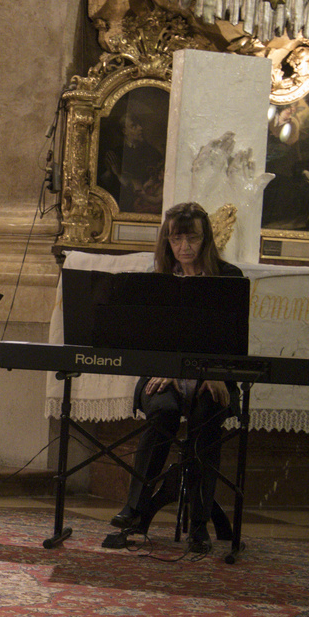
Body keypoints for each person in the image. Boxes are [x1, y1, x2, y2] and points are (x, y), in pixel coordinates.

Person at [108, 202, 243, 554]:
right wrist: (167, 370)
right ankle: (135, 508)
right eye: (176, 238)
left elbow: (231, 339)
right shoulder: (156, 282)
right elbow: (144, 340)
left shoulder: (228, 278)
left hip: (212, 377)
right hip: (162, 375)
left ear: (206, 239)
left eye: (192, 237)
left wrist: (210, 373)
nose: (184, 247)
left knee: (206, 416)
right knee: (164, 413)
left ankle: (199, 523)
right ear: (167, 241)